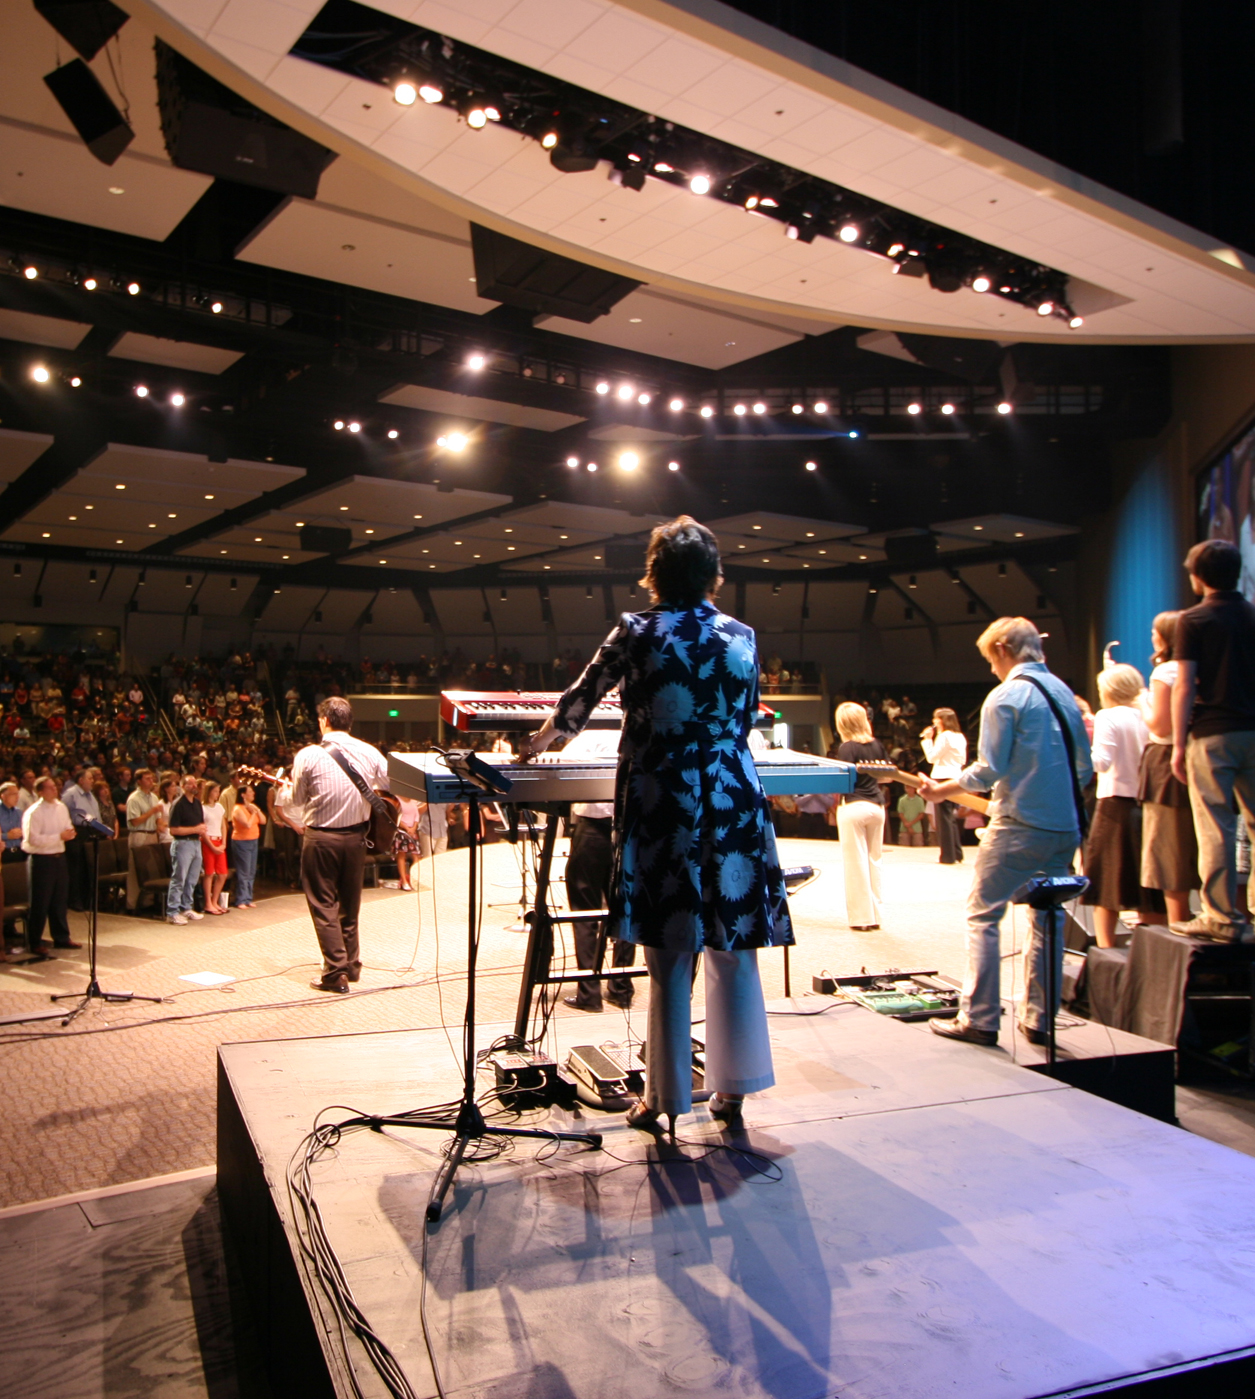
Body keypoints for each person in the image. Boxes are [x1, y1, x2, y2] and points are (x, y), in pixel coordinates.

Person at [519, 516, 789, 1134]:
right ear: (714, 575)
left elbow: (577, 705)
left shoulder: (636, 630)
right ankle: (734, 1090)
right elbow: (745, 716)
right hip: (732, 797)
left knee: (669, 951)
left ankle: (664, 1098)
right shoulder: (742, 634)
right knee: (733, 945)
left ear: (654, 573)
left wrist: (534, 748)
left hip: (663, 797)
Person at [921, 617, 1092, 1046]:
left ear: (1001, 648)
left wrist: (941, 790)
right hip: (1065, 825)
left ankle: (978, 1018)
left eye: (989, 659)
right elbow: (1085, 769)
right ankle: (1041, 1019)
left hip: (1018, 825)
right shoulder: (1065, 695)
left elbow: (988, 770)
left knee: (984, 914)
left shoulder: (1006, 696)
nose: (991, 669)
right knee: (1048, 916)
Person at [1171, 539, 1255, 940]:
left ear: (1198, 576)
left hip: (1212, 734)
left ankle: (1221, 917)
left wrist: (1177, 743)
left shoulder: (1193, 619)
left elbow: (1184, 684)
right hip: (1253, 730)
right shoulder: (1253, 615)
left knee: (1215, 827)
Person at [276, 696, 388, 994]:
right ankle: (351, 965)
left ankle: (335, 972)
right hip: (356, 839)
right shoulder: (370, 752)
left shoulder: (309, 755)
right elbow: (391, 786)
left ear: (323, 721)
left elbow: (296, 801)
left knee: (324, 904)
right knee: (350, 905)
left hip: (321, 838)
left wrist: (285, 792)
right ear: (349, 722)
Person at [559, 725, 636, 1013]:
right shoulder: (641, 732)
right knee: (625, 908)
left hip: (593, 830)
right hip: (630, 831)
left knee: (585, 910)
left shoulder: (589, 737)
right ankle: (621, 988)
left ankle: (589, 993)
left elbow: (560, 772)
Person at [1082, 664, 1151, 947]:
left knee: (1107, 884)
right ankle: (1153, 950)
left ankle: (1106, 951)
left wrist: (1076, 752)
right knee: (1148, 884)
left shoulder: (1108, 716)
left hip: (1113, 806)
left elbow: (1101, 762)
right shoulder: (1149, 717)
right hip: (1147, 804)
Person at [1139, 611, 1199, 927]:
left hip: (1167, 762)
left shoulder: (1166, 673)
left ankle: (1178, 933)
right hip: (1203, 760)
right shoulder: (1207, 668)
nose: (1152, 637)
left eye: (1154, 631)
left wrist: (1142, 704)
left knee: (1169, 854)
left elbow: (1160, 725)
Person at [833, 702, 890, 931]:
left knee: (855, 863)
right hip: (877, 806)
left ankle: (861, 919)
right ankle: (876, 916)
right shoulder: (877, 744)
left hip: (854, 805)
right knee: (874, 861)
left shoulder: (847, 747)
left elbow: (843, 779)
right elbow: (887, 777)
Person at [21, 775, 80, 956]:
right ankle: (35, 941)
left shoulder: (61, 807)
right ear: (40, 791)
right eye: (50, 787)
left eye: (55, 786)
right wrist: (58, 837)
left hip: (59, 857)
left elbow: (67, 826)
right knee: (41, 902)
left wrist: (70, 833)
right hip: (41, 860)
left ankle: (61, 937)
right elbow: (33, 839)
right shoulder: (34, 812)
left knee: (59, 900)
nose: (55, 790)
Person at [920, 709, 968, 864]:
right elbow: (962, 760)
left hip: (942, 776)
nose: (933, 721)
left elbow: (932, 757)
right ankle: (957, 853)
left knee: (943, 819)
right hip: (956, 776)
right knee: (950, 817)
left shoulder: (944, 736)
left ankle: (947, 856)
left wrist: (928, 740)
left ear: (942, 720)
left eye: (936, 718)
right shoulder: (960, 736)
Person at [166, 773, 206, 926]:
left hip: (196, 843)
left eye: (195, 783)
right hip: (183, 844)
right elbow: (174, 830)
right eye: (190, 784)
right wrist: (195, 829)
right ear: (182, 786)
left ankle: (186, 907)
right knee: (179, 879)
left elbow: (199, 824)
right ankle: (172, 912)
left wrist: (200, 830)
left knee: (192, 879)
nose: (194, 786)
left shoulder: (196, 803)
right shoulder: (178, 804)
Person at [62, 766, 102, 911]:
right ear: (80, 780)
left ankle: (88, 900)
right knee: (76, 869)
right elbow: (63, 814)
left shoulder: (90, 794)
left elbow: (96, 814)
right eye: (90, 778)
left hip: (91, 832)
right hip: (77, 833)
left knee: (89, 868)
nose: (93, 781)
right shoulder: (70, 795)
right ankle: (74, 900)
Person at [124, 768, 162, 911]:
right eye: (147, 778)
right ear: (139, 781)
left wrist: (160, 823)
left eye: (151, 778)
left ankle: (148, 902)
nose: (151, 780)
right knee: (135, 870)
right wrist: (151, 812)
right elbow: (134, 821)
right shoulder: (134, 798)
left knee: (151, 870)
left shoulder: (153, 797)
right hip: (139, 834)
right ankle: (132, 904)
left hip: (152, 834)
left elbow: (158, 817)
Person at [230, 783, 265, 907]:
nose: (253, 794)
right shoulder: (238, 809)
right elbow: (247, 824)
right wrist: (254, 813)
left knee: (251, 871)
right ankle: (241, 899)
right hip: (242, 842)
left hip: (253, 840)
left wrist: (257, 810)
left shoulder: (251, 807)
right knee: (243, 871)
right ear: (243, 795)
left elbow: (263, 820)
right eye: (250, 792)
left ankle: (248, 898)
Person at [200, 780, 229, 914]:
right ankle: (207, 903)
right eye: (215, 791)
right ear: (209, 792)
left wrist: (223, 842)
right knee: (209, 873)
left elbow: (223, 825)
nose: (218, 794)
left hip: (219, 841)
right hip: (208, 841)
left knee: (223, 873)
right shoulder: (202, 808)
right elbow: (203, 829)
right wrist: (211, 845)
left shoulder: (219, 807)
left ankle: (215, 901)